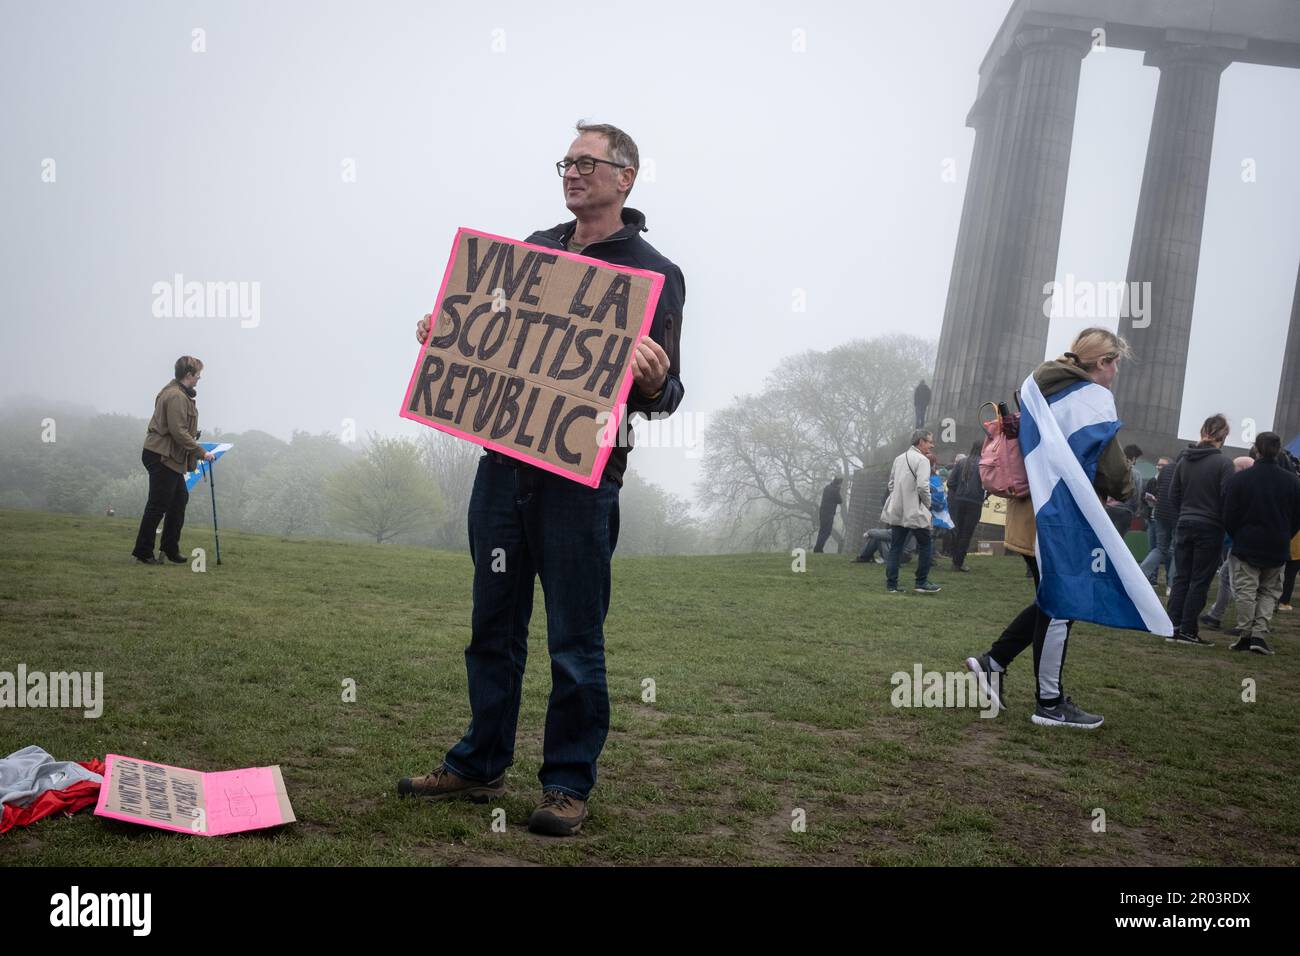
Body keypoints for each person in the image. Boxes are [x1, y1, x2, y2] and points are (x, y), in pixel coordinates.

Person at [399, 122, 686, 837]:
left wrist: (654, 382)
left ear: (626, 176)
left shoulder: (654, 272)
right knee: (491, 624)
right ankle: (477, 762)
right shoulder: (533, 251)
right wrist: (449, 334)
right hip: (504, 468)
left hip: (581, 484)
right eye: (567, 161)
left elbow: (668, 392)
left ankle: (565, 784)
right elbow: (494, 342)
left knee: (574, 639)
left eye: (588, 162)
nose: (572, 172)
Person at [965, 328, 1134, 729]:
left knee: (1051, 598)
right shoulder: (1089, 399)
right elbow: (1112, 470)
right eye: (1115, 365)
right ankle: (1050, 702)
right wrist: (1126, 485)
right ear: (1104, 362)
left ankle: (994, 662)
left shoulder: (1039, 386)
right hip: (1059, 518)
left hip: (1028, 512)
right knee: (1063, 602)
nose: (1115, 374)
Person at [1221, 432, 1300, 654]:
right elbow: (1297, 517)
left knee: (1246, 590)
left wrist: (1239, 534)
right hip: (1277, 544)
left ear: (1256, 449)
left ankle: (1245, 633)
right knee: (1269, 592)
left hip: (1247, 543)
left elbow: (1229, 514)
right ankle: (1259, 634)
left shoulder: (1241, 479)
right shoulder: (1293, 482)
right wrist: (1285, 533)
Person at [130, 356, 213, 565]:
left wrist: (192, 435)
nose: (199, 379)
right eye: (197, 375)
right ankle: (143, 551)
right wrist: (202, 452)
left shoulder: (177, 393)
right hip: (162, 456)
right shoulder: (176, 396)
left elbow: (178, 429)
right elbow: (177, 432)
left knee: (178, 500)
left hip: (168, 455)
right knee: (158, 504)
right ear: (188, 375)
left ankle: (169, 547)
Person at [1164, 414, 1235, 647]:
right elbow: (1228, 499)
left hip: (1185, 523)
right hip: (1210, 527)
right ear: (1223, 436)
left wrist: (1182, 516)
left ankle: (1172, 626)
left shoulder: (1184, 460)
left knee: (1181, 577)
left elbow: (1173, 496)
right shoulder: (1224, 464)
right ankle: (1187, 630)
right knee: (1199, 581)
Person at [881, 429, 940, 594]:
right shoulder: (922, 460)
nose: (932, 445)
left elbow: (891, 484)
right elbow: (922, 486)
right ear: (921, 442)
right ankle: (921, 582)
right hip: (915, 510)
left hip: (898, 509)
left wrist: (899, 497)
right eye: (929, 441)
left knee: (896, 547)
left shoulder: (898, 458)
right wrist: (927, 504)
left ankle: (891, 585)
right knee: (926, 544)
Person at [948, 441, 986, 572]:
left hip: (959, 500)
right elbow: (990, 485)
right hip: (975, 502)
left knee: (958, 530)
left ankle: (955, 560)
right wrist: (984, 496)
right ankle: (958, 562)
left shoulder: (961, 462)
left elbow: (950, 483)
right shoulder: (984, 464)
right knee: (967, 533)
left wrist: (958, 491)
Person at [1139, 456, 1175, 588]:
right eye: (1158, 464)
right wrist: (1148, 499)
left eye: (1163, 465)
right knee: (1154, 548)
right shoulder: (1153, 480)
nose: (1159, 467)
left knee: (1166, 551)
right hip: (1153, 518)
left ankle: (1168, 581)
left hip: (1161, 518)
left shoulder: (1170, 479)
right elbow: (1143, 496)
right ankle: (1151, 579)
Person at [1105, 444, 1143, 537]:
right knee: (1118, 540)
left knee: (1105, 538)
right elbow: (1137, 494)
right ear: (1133, 458)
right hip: (1125, 511)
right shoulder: (1136, 473)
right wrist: (1135, 510)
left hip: (1109, 508)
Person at [813, 477, 843, 553]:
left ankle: (818, 548)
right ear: (838, 484)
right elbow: (840, 501)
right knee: (827, 531)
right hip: (829, 513)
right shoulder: (835, 490)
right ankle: (818, 548)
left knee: (822, 530)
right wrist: (838, 490)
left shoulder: (827, 487)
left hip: (822, 512)